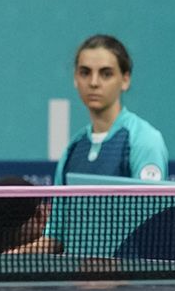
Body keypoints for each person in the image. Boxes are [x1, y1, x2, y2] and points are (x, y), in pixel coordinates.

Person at [56, 34, 166, 182]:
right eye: (85, 73)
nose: (94, 82)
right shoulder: (73, 148)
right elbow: (59, 205)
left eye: (106, 74)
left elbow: (149, 205)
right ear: (75, 79)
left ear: (125, 80)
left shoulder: (144, 140)